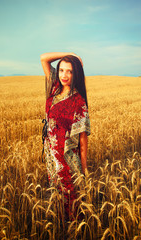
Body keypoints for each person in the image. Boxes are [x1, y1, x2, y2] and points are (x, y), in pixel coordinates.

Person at [40, 52, 90, 220]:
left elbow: (83, 141)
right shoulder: (54, 88)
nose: (64, 75)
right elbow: (43, 58)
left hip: (67, 157)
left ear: (76, 73)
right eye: (61, 70)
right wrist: (70, 54)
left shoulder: (78, 101)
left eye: (69, 71)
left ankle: (75, 230)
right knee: (57, 196)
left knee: (71, 198)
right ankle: (61, 227)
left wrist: (83, 171)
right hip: (51, 155)